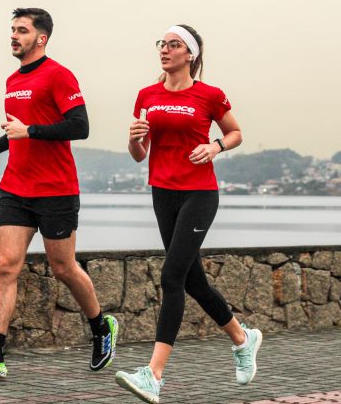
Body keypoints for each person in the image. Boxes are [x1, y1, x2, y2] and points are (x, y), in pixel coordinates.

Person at [0, 8, 118, 379]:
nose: (13, 36)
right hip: (16, 187)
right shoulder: (13, 80)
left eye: (22, 30)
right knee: (5, 266)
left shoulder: (59, 76)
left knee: (63, 268)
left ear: (41, 38)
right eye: (12, 30)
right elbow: (19, 130)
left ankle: (100, 327)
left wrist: (28, 132)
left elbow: (80, 127)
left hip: (56, 189)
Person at [115, 25, 262, 403]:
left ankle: (154, 374)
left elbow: (235, 133)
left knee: (171, 276)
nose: (165, 49)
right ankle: (243, 339)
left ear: (190, 54)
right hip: (163, 193)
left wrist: (215, 147)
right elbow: (139, 154)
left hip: (199, 194)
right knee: (194, 282)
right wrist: (133, 138)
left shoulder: (209, 95)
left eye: (174, 44)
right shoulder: (146, 95)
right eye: (162, 43)